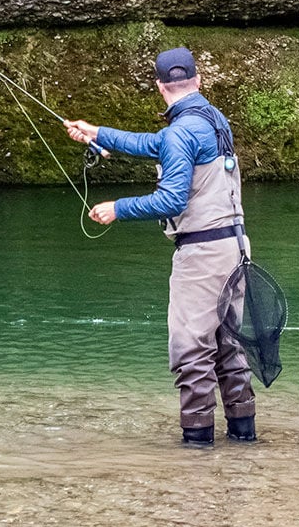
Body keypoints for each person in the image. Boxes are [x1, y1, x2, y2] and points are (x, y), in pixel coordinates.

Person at [64, 47, 257, 448]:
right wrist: (97, 133)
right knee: (228, 347)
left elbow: (171, 200)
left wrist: (118, 208)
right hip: (235, 249)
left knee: (192, 352)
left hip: (202, 255)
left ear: (159, 86)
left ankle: (197, 449)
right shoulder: (213, 120)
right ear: (198, 81)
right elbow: (158, 144)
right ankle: (244, 441)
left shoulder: (180, 132)